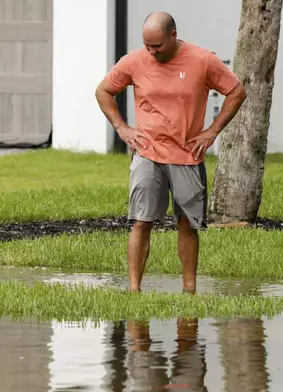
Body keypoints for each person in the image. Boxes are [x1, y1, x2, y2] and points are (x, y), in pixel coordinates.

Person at [95, 11, 247, 293]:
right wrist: (122, 128)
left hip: (187, 155)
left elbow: (236, 92)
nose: (151, 52)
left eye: (157, 46)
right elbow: (103, 90)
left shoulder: (203, 61)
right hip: (147, 152)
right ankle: (133, 291)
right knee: (141, 223)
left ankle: (189, 290)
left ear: (173, 36)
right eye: (147, 46)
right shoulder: (134, 61)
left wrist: (212, 131)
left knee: (187, 225)